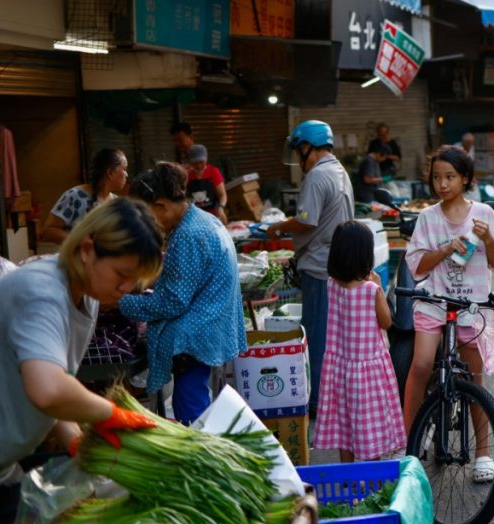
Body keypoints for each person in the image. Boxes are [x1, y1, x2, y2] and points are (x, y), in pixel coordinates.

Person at [0, 198, 163, 524]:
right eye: (121, 274)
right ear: (88, 248)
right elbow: (47, 389)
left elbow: (55, 378)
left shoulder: (85, 296)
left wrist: (76, 439)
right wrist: (114, 414)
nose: (126, 288)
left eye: (135, 280)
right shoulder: (43, 292)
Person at [403, 146, 494, 483]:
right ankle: (410, 445)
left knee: (474, 378)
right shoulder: (427, 218)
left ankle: (483, 453)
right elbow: (417, 267)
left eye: (450, 177)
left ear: (465, 179)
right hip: (434, 303)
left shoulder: (484, 215)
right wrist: (446, 249)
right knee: (421, 365)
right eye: (437, 177)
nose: (442, 183)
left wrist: (487, 239)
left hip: (472, 307)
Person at [121, 162, 247, 424]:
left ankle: (202, 461)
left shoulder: (187, 235)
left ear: (162, 205)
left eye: (146, 215)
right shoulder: (203, 219)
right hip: (211, 329)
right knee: (197, 405)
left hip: (195, 337)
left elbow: (172, 302)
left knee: (191, 412)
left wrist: (119, 303)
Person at [267, 121, 355, 417]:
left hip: (318, 268)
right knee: (330, 338)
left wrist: (278, 227)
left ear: (308, 147)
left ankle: (317, 402)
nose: (298, 158)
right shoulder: (339, 171)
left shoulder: (317, 176)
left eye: (299, 150)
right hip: (335, 266)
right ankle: (330, 397)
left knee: (315, 338)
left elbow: (306, 221)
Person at [314, 221, 406, 463]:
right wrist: (379, 286)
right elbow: (386, 322)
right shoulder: (369, 290)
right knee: (369, 428)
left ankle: (349, 480)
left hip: (340, 369)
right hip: (368, 374)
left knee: (346, 429)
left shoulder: (332, 285)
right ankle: (372, 484)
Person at [40, 148, 129, 244]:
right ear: (110, 173)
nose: (126, 174)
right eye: (124, 169)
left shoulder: (117, 203)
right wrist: (79, 242)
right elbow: (48, 230)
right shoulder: (75, 196)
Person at [186, 144, 228, 224]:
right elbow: (185, 197)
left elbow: (222, 194)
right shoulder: (187, 175)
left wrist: (221, 208)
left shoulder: (213, 172)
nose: (199, 166)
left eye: (201, 162)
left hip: (213, 215)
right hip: (195, 216)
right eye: (195, 163)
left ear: (206, 159)